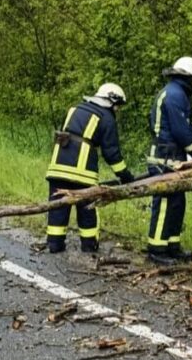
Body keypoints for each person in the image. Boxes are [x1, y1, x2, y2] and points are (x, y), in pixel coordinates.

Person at [145, 57, 192, 265]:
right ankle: (156, 249)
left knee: (177, 202)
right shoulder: (175, 95)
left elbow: (185, 127)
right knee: (164, 203)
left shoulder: (175, 93)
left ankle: (172, 245)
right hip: (164, 158)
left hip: (173, 158)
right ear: (188, 77)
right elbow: (180, 132)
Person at [45, 83, 135, 254]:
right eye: (117, 106)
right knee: (87, 209)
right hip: (82, 172)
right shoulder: (106, 117)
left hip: (57, 167)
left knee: (58, 205)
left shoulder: (75, 109)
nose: (117, 110)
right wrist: (125, 176)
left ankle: (54, 244)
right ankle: (89, 246)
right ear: (111, 100)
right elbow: (112, 153)